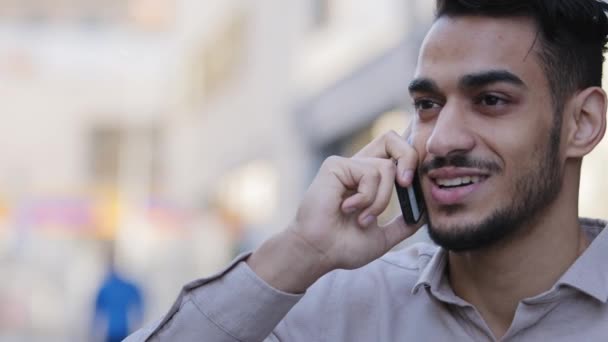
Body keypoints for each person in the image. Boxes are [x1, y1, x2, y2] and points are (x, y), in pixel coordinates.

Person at [127, 0, 608, 340]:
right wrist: (300, 251)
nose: (440, 139)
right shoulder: (338, 308)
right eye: (427, 104)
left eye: (491, 101)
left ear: (582, 123)